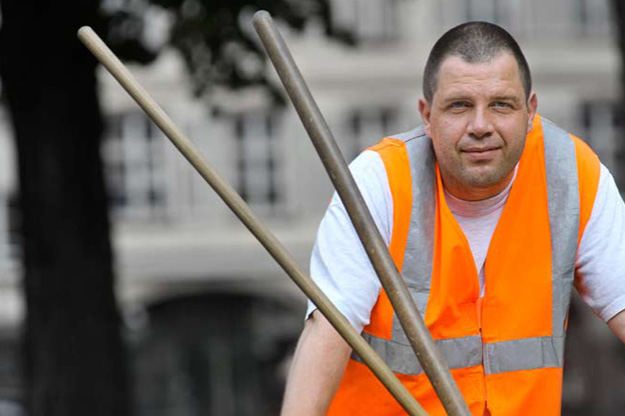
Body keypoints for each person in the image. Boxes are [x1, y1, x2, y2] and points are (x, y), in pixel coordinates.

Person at [280, 21, 625, 416]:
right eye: (459, 105)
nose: (481, 126)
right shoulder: (379, 183)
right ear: (427, 115)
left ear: (531, 111)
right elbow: (328, 331)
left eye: (501, 104)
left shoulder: (573, 175)